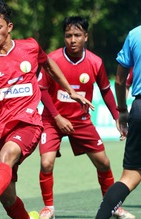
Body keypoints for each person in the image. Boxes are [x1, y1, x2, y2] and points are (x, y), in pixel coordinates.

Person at [0, 1, 93, 219]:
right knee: (9, 198)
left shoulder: (29, 47)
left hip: (27, 123)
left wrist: (71, 91)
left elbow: (48, 64)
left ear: (9, 26)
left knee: (7, 155)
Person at [37, 16, 135, 219]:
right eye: (68, 35)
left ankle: (113, 207)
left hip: (80, 120)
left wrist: (117, 116)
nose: (72, 40)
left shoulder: (95, 62)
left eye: (77, 35)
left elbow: (106, 90)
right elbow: (42, 90)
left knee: (104, 163)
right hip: (53, 120)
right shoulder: (52, 60)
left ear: (86, 37)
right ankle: (49, 208)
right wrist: (57, 118)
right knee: (46, 163)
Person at [95, 25, 141, 219]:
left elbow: (120, 81)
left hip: (139, 109)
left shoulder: (135, 34)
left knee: (129, 176)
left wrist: (121, 111)